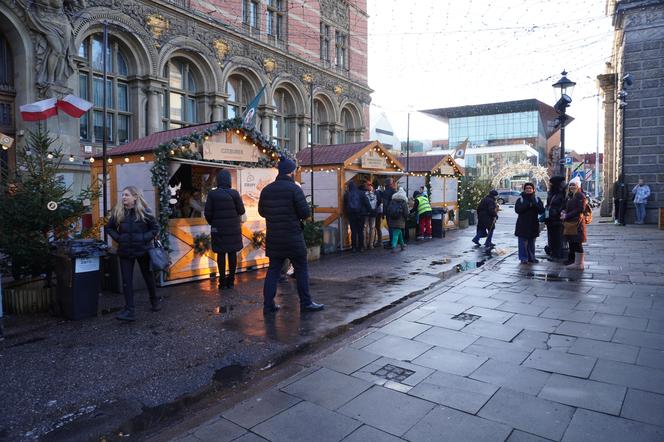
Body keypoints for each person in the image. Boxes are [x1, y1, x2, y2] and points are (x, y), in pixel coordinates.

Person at [258, 156, 324, 314]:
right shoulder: (295, 189)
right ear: (290, 172)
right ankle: (306, 303)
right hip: (293, 237)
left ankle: (268, 305)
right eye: (294, 170)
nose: (295, 172)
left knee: (273, 270)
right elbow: (305, 213)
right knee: (301, 269)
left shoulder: (267, 189)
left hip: (274, 237)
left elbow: (262, 212)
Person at [107, 186, 161, 321]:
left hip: (142, 250)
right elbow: (109, 227)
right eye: (123, 195)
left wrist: (143, 238)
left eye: (127, 195)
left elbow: (155, 228)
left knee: (148, 277)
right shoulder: (118, 211)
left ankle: (154, 301)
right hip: (125, 251)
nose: (124, 197)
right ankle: (129, 310)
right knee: (126, 281)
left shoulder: (145, 212)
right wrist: (119, 238)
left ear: (135, 197)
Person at [204, 170, 245, 290]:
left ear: (218, 180)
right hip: (233, 229)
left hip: (218, 229)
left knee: (221, 254)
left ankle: (222, 282)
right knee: (232, 253)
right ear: (229, 180)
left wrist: (214, 223)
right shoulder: (234, 193)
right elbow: (241, 211)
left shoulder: (212, 194)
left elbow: (208, 213)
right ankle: (231, 281)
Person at [514, 182, 545, 264]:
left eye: (530, 188)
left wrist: (534, 205)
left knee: (532, 243)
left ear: (533, 189)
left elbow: (542, 210)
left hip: (533, 224)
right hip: (522, 224)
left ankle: (531, 258)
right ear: (524, 190)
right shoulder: (520, 199)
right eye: (527, 188)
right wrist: (527, 205)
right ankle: (523, 258)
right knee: (522, 243)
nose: (528, 189)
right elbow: (517, 210)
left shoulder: (537, 199)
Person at [562, 177, 587, 270]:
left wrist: (567, 215)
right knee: (572, 242)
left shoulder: (580, 195)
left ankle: (579, 264)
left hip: (577, 223)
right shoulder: (570, 196)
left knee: (577, 243)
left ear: (578, 186)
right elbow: (567, 208)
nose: (572, 186)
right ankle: (574, 262)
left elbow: (580, 209)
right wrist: (564, 212)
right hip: (571, 223)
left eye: (574, 185)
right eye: (570, 185)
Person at [343, 181, 369, 252]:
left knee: (353, 231)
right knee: (360, 231)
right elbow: (367, 203)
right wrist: (369, 211)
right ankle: (361, 247)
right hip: (361, 214)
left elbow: (345, 205)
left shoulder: (347, 194)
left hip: (351, 215)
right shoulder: (361, 193)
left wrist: (347, 213)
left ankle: (353, 247)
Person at [544, 176, 566, 260]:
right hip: (550, 218)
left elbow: (563, 205)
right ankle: (553, 253)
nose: (550, 184)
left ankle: (557, 254)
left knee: (558, 237)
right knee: (551, 237)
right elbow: (548, 204)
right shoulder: (551, 193)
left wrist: (557, 212)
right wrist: (546, 215)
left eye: (551, 183)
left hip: (558, 219)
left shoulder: (562, 193)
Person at [387, 187, 409, 252]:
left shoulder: (392, 201)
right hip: (400, 220)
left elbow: (388, 210)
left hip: (392, 220)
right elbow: (406, 213)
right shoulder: (403, 202)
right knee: (396, 233)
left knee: (398, 232)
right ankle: (393, 246)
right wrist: (406, 218)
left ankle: (402, 245)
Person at [381, 178, 397, 247]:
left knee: (390, 227)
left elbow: (385, 203)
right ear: (390, 184)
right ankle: (395, 242)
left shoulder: (385, 192)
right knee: (394, 227)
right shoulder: (394, 191)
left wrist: (384, 213)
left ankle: (391, 243)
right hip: (395, 211)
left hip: (388, 212)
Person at [363, 182, 379, 249]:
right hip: (373, 213)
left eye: (370, 185)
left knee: (365, 228)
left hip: (367, 213)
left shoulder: (363, 194)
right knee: (371, 228)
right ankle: (371, 244)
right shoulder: (375, 193)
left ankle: (365, 244)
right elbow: (378, 202)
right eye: (369, 185)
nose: (369, 186)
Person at [373, 180, 384, 247]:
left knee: (375, 227)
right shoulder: (380, 192)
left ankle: (377, 241)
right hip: (379, 211)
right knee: (378, 227)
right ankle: (379, 241)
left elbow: (378, 201)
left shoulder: (375, 192)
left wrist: (374, 207)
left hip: (376, 211)